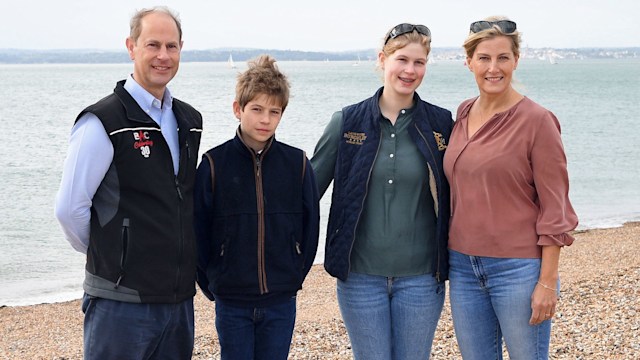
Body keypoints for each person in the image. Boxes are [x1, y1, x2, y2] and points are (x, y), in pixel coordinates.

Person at [54, 6, 202, 359]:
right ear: (131, 47)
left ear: (181, 48)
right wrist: (114, 257)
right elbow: (69, 209)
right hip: (120, 303)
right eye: (152, 45)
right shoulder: (102, 121)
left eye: (171, 46)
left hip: (177, 301)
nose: (163, 56)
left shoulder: (189, 121)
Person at [311, 23, 453, 359]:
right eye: (402, 60)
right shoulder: (347, 122)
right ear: (382, 59)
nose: (410, 70)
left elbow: (467, 189)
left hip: (421, 278)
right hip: (360, 278)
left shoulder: (441, 123)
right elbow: (305, 191)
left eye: (419, 63)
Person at [443, 16, 579, 359]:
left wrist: (547, 282)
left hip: (518, 269)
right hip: (462, 266)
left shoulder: (538, 121)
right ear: (469, 62)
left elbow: (555, 209)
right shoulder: (462, 113)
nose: (494, 68)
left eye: (503, 57)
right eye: (484, 58)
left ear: (516, 60)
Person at [194, 55, 320, 360]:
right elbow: (198, 231)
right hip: (232, 300)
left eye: (274, 112)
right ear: (238, 109)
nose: (265, 119)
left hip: (281, 299)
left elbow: (311, 226)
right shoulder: (213, 164)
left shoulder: (297, 163)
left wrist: (293, 275)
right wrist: (214, 283)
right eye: (257, 109)